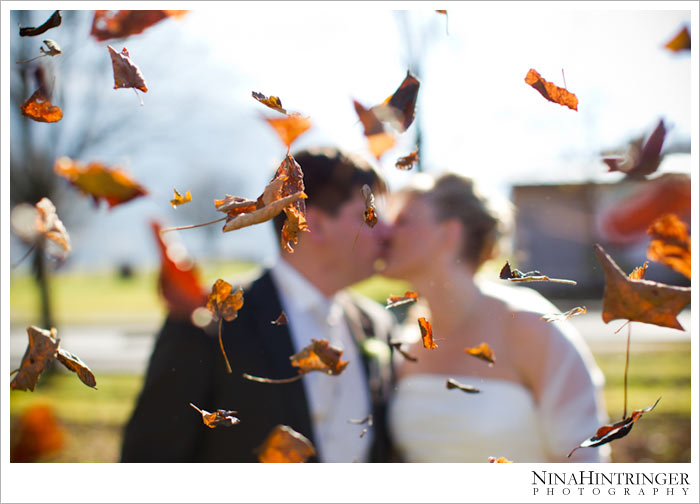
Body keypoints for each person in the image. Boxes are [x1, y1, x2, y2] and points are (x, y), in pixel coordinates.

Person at [121, 147, 396, 462]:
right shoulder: (211, 322)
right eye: (370, 214)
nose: (388, 230)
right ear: (312, 224)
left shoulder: (376, 325)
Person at [382, 172, 610, 463]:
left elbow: (584, 463)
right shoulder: (408, 338)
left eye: (402, 222)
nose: (385, 233)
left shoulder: (531, 326)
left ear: (448, 234)